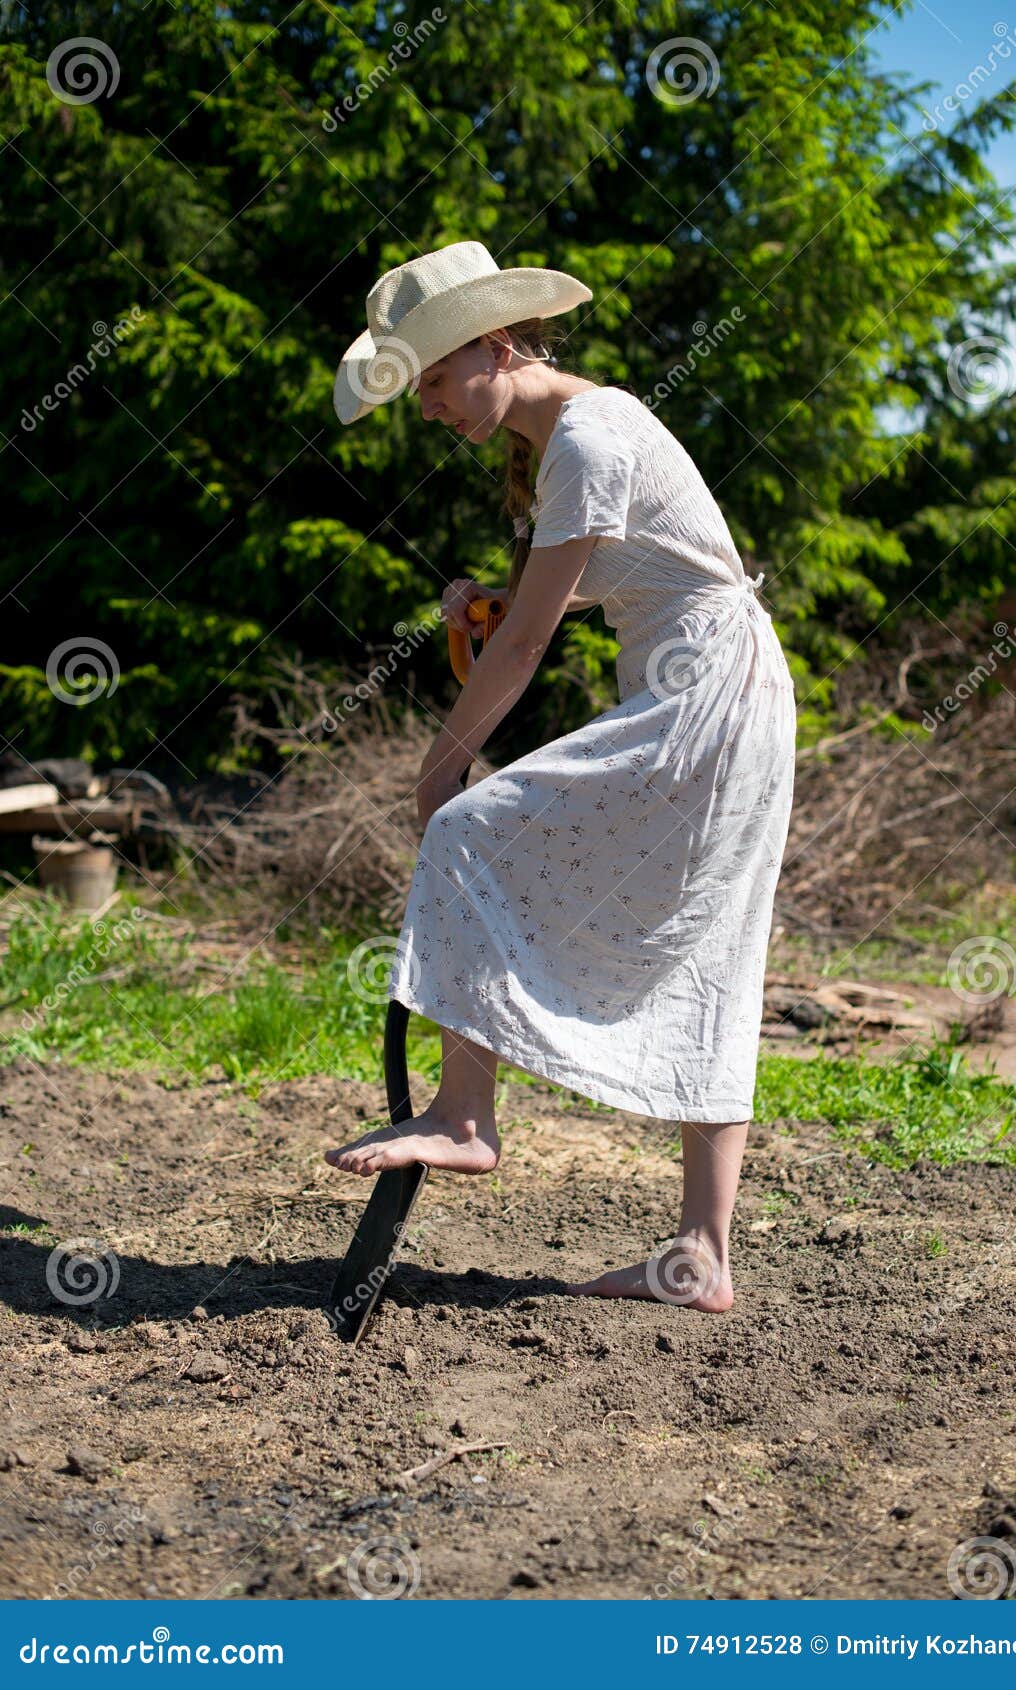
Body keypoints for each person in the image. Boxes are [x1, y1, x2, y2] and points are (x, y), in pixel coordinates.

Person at [324, 241, 796, 1313]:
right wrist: (498, 595)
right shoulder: (583, 433)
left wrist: (443, 763)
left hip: (706, 699)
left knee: (465, 829)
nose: (432, 409)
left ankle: (462, 1118)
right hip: (725, 689)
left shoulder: (585, 432)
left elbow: (530, 640)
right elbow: (593, 585)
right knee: (708, 941)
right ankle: (701, 1258)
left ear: (495, 346)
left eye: (436, 383)